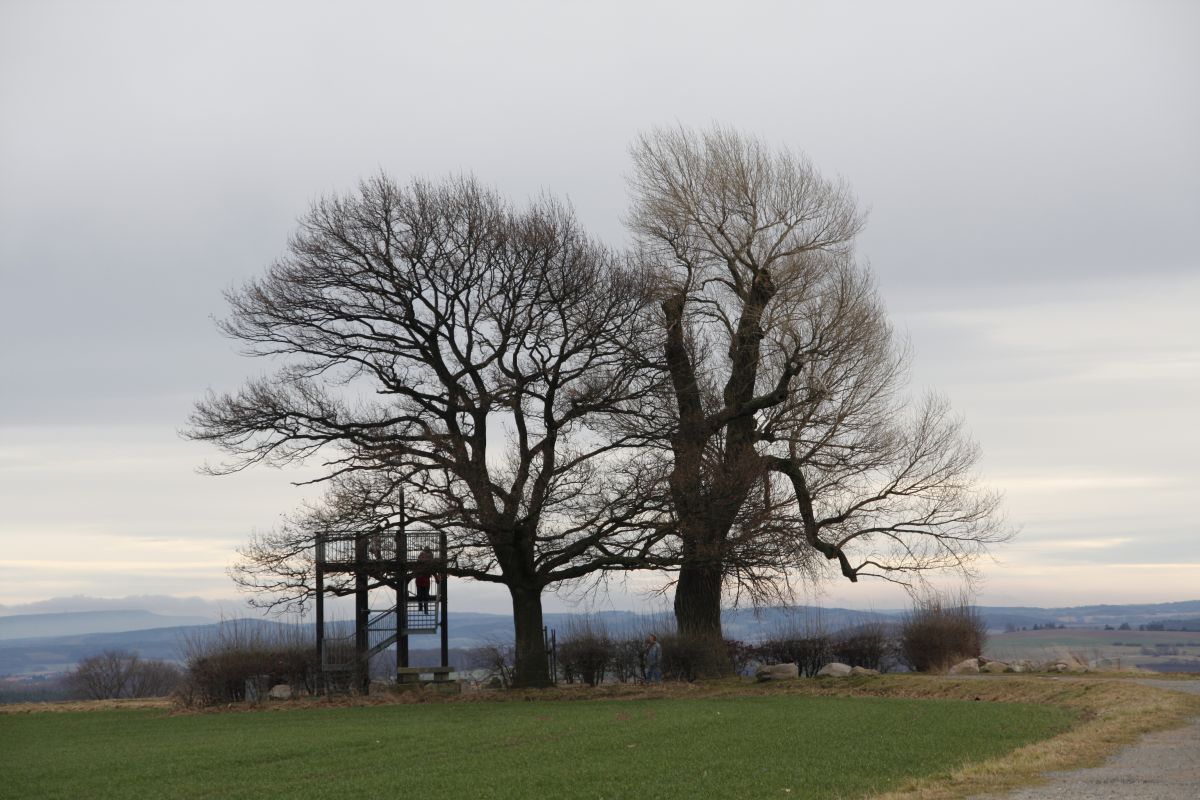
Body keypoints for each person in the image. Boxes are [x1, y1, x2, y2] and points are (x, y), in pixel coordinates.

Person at [413, 546, 438, 614]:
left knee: (422, 596)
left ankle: (423, 608)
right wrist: (437, 579)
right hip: (423, 582)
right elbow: (434, 572)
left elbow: (433, 572)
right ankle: (423, 608)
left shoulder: (421, 559)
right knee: (423, 596)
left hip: (422, 582)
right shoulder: (428, 561)